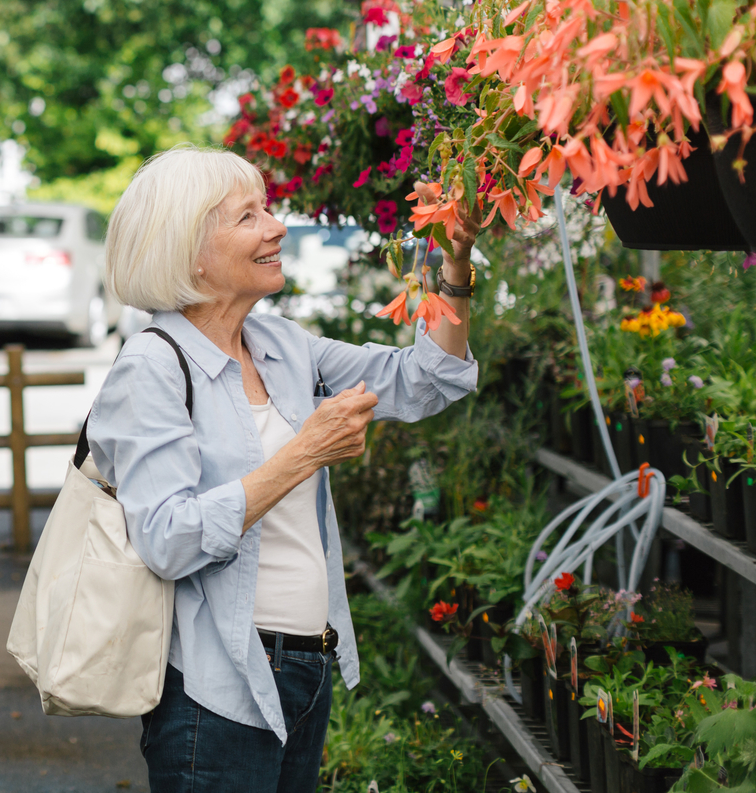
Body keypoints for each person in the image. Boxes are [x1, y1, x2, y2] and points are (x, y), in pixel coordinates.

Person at [85, 146, 479, 793]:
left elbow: (427, 378)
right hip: (216, 684)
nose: (275, 227)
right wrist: (303, 452)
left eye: (266, 209)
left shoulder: (280, 345)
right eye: (248, 216)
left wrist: (454, 266)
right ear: (191, 254)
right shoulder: (151, 367)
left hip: (305, 662)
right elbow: (167, 538)